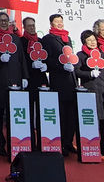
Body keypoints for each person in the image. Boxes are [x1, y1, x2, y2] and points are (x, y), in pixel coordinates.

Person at [0, 11, 28, 158]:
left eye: (5, 20)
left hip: (15, 81)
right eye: (1, 20)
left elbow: (22, 59)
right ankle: (0, 144)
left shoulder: (16, 39)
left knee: (13, 115)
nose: (3, 23)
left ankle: (14, 143)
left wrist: (25, 77)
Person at [41, 13, 78, 156]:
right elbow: (47, 59)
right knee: (61, 114)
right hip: (59, 80)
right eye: (57, 22)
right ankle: (61, 143)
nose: (59, 24)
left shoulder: (66, 38)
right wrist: (61, 66)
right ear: (51, 24)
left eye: (61, 21)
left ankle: (69, 142)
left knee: (71, 115)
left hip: (71, 80)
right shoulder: (48, 39)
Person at [75, 30, 104, 156]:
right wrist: (89, 74)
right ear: (84, 42)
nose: (92, 42)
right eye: (89, 40)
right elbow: (76, 72)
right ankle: (90, 147)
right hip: (89, 90)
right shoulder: (81, 55)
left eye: (93, 40)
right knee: (91, 120)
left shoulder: (102, 54)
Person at [20, 17, 48, 147]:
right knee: (29, 112)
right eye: (29, 26)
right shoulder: (21, 42)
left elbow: (47, 57)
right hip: (28, 80)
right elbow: (21, 61)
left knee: (42, 112)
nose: (32, 28)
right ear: (24, 27)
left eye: (33, 25)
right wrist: (31, 66)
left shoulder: (41, 41)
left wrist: (45, 65)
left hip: (41, 80)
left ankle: (43, 142)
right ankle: (30, 141)